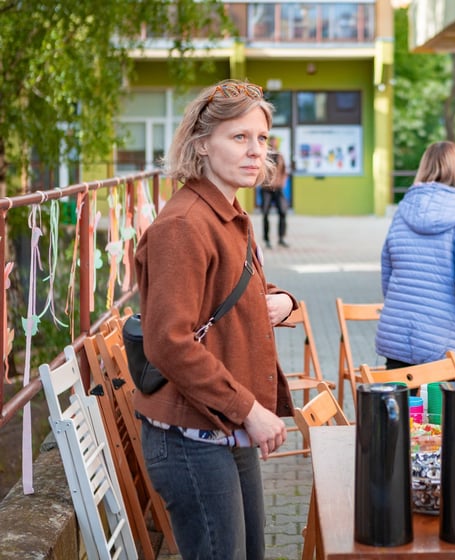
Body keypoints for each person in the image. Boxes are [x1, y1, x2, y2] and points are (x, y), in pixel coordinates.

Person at [134, 79, 298, 560]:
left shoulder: (228, 212)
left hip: (224, 425)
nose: (255, 152)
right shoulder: (184, 225)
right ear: (203, 143)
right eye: (239, 137)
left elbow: (244, 291)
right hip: (190, 439)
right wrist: (251, 410)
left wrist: (284, 301)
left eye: (262, 139)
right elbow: (169, 342)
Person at [375, 141, 455, 383]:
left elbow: (388, 272)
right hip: (447, 354)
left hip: (399, 344)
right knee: (445, 420)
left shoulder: (402, 212)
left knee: (404, 419)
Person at [261, 136, 289, 248]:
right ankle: (267, 240)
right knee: (265, 214)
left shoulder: (280, 156)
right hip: (266, 189)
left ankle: (281, 238)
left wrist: (282, 183)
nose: (273, 143)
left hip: (278, 189)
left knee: (283, 212)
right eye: (272, 141)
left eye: (275, 142)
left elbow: (284, 171)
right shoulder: (264, 155)